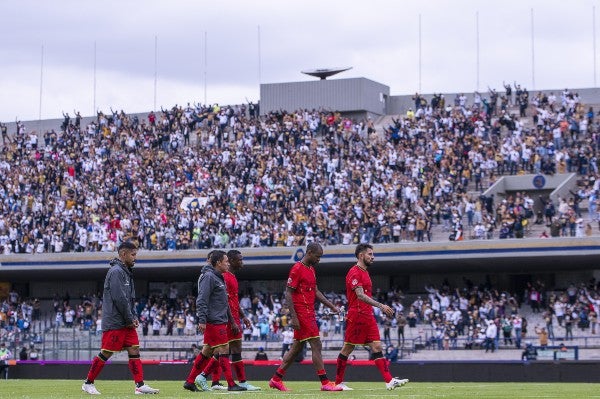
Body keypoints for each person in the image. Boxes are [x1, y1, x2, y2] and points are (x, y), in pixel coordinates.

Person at [82, 241, 159, 395]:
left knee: (134, 349)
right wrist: (130, 318)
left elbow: (129, 299)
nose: (135, 257)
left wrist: (134, 316)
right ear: (123, 254)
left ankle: (139, 385)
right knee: (107, 352)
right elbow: (119, 298)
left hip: (126, 321)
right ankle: (88, 383)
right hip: (116, 321)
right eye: (133, 254)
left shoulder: (126, 272)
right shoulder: (116, 271)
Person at [334, 243, 409, 391]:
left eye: (372, 254)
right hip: (357, 315)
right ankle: (337, 383)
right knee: (347, 348)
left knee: (377, 346)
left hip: (368, 315)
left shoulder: (365, 272)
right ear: (361, 255)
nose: (373, 257)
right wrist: (381, 306)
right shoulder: (354, 272)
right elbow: (360, 296)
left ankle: (389, 381)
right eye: (370, 254)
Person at [268, 242, 342, 392]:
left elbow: (316, 291)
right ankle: (325, 382)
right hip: (302, 313)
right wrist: (293, 317)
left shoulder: (311, 269)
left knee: (296, 348)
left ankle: (276, 379)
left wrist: (332, 306)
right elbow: (288, 293)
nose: (319, 260)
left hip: (308, 312)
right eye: (317, 256)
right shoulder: (297, 268)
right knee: (316, 344)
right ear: (309, 253)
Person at [182, 250, 246, 392]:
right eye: (226, 261)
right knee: (224, 349)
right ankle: (231, 384)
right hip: (214, 321)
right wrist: (202, 320)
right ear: (218, 263)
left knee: (207, 351)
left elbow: (223, 301)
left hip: (217, 319)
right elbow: (202, 299)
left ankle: (190, 381)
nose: (228, 263)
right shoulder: (209, 277)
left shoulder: (217, 277)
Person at [210, 250, 261, 390]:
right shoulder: (225, 277)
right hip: (228, 318)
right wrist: (232, 321)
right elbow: (224, 300)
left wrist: (243, 316)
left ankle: (213, 381)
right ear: (231, 261)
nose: (242, 263)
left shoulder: (232, 276)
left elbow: (233, 300)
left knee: (223, 350)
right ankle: (204, 377)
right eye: (239, 260)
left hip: (234, 317)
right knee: (228, 350)